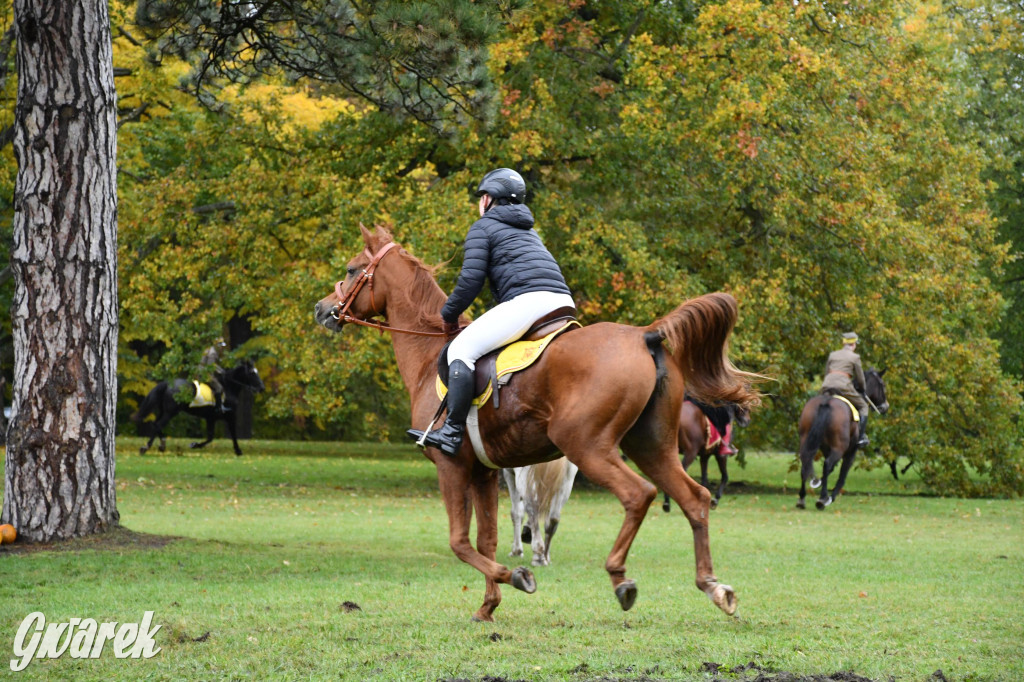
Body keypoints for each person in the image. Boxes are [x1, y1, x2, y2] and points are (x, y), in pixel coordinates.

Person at [407, 168, 575, 456]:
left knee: (461, 350)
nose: (480, 202)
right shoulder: (529, 231)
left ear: (488, 199)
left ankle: (451, 431)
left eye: (482, 196)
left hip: (529, 302)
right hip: (562, 302)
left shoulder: (483, 227)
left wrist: (449, 314)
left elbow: (470, 281)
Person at [820, 331, 870, 447]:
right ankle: (861, 437)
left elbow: (826, 372)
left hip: (827, 384)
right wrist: (862, 389)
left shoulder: (832, 355)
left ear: (844, 343)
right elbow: (860, 378)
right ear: (854, 344)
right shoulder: (855, 357)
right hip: (843, 387)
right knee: (864, 406)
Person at [200, 337, 227, 413]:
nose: (222, 348)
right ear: (216, 345)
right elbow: (210, 366)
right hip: (204, 374)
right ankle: (219, 407)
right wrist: (221, 371)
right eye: (220, 345)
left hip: (201, 371)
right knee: (219, 387)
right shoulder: (213, 353)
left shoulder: (209, 349)